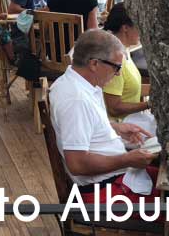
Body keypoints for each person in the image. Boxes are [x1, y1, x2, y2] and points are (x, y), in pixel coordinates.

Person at [50, 29, 159, 206]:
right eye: (116, 67)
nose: (118, 73)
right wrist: (126, 159)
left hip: (114, 179)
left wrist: (114, 127)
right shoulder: (76, 99)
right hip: (104, 192)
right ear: (94, 64)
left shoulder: (77, 83)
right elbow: (77, 164)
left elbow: (84, 123)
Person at [102, 4, 151, 121]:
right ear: (125, 28)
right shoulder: (114, 58)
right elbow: (113, 108)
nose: (143, 31)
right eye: (139, 26)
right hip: (119, 126)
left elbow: (131, 89)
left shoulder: (124, 49)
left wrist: (160, 90)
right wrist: (148, 104)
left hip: (130, 120)